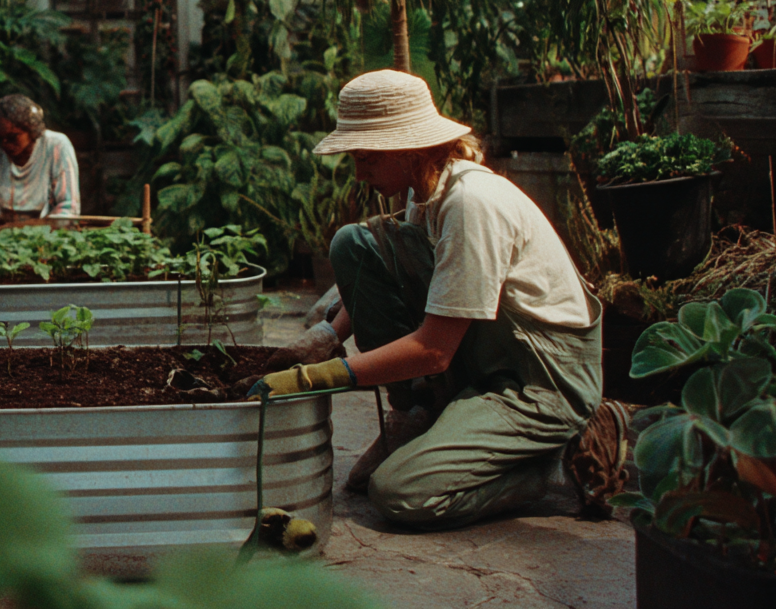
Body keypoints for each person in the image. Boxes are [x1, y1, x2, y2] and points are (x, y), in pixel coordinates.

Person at [248, 70, 626, 529]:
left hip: (539, 380)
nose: (358, 173)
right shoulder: (424, 192)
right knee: (354, 244)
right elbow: (391, 273)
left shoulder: (472, 203)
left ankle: (549, 459)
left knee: (399, 493)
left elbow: (433, 349)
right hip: (484, 352)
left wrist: (314, 378)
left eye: (366, 158)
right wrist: (330, 333)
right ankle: (421, 412)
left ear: (407, 151)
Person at [0, 95, 81, 227]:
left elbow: (68, 205)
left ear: (32, 129)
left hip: (40, 228)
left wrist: (52, 230)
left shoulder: (56, 146)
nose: (5, 144)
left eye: (12, 137)